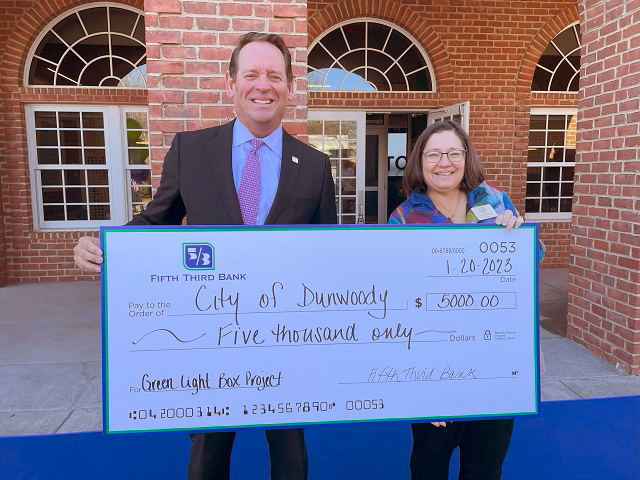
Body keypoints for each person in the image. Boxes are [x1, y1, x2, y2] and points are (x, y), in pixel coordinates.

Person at [74, 32, 337, 480]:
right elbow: (156, 220)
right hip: (209, 338)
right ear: (230, 82)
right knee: (207, 457)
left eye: (274, 75)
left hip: (284, 338)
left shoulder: (313, 164)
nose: (263, 85)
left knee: (291, 456)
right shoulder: (191, 151)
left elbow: (328, 253)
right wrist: (105, 246)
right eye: (251, 73)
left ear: (290, 87)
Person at [389, 120, 543, 480]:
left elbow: (531, 261)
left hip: (494, 362)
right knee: (428, 466)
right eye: (433, 154)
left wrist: (518, 236)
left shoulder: (494, 201)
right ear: (419, 162)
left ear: (466, 157)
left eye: (453, 153)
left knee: (484, 467)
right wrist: (420, 384)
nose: (444, 162)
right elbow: (397, 304)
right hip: (433, 365)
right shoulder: (404, 220)